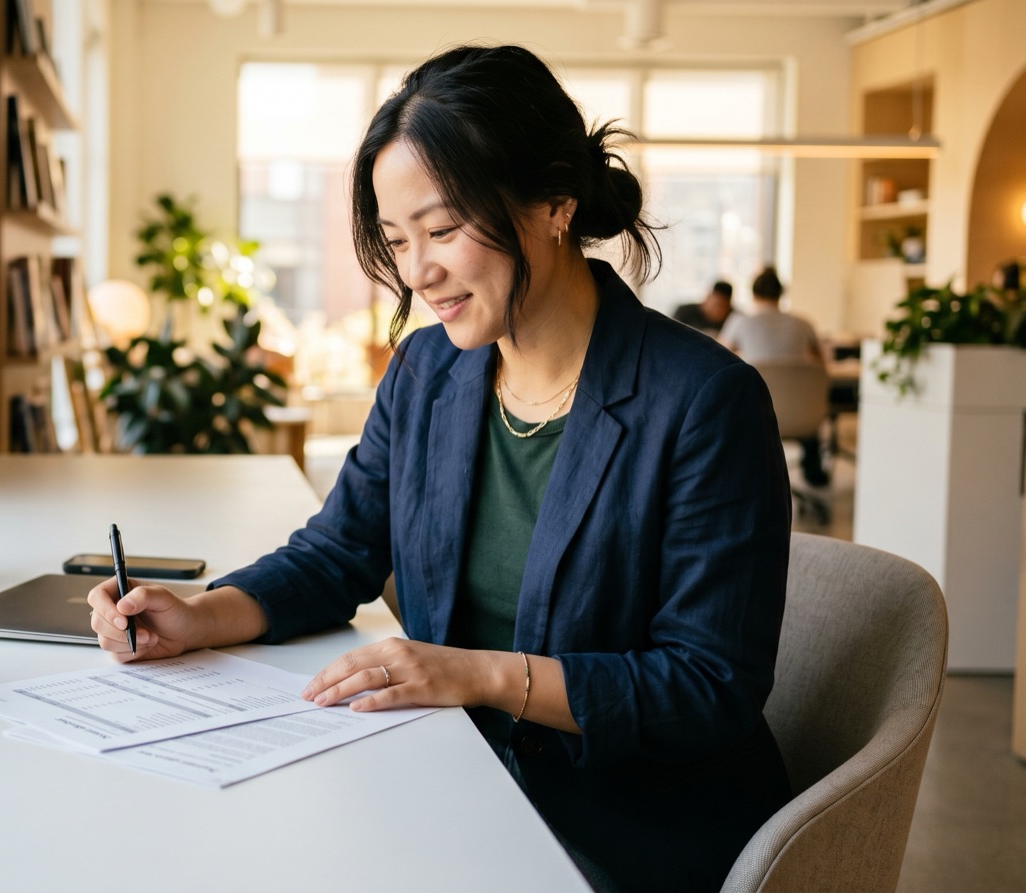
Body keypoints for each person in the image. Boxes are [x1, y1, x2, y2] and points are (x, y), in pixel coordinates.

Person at [89, 45, 791, 893]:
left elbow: (709, 687)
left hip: (620, 831)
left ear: (554, 203)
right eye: (395, 240)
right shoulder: (428, 373)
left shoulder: (704, 400)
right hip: (449, 783)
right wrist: (202, 615)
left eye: (443, 229)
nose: (417, 271)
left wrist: (474, 674)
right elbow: (337, 551)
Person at [719, 266, 830, 487]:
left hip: (755, 414)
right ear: (781, 294)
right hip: (803, 418)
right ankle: (814, 473)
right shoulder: (803, 323)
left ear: (753, 294)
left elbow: (719, 361)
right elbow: (822, 364)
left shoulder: (740, 323)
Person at [672, 280, 736, 335]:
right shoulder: (685, 312)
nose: (718, 311)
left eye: (723, 307)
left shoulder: (734, 318)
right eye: (716, 305)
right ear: (707, 298)